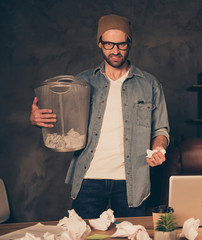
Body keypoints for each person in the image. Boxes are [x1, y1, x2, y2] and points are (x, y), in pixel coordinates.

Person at [30, 14, 170, 218]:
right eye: (109, 44)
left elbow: (161, 129)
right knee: (83, 235)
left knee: (130, 236)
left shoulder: (149, 84)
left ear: (129, 43)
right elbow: (61, 124)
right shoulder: (81, 82)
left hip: (132, 182)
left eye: (121, 44)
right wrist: (36, 120)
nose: (115, 50)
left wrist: (159, 147)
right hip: (88, 178)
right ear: (99, 43)